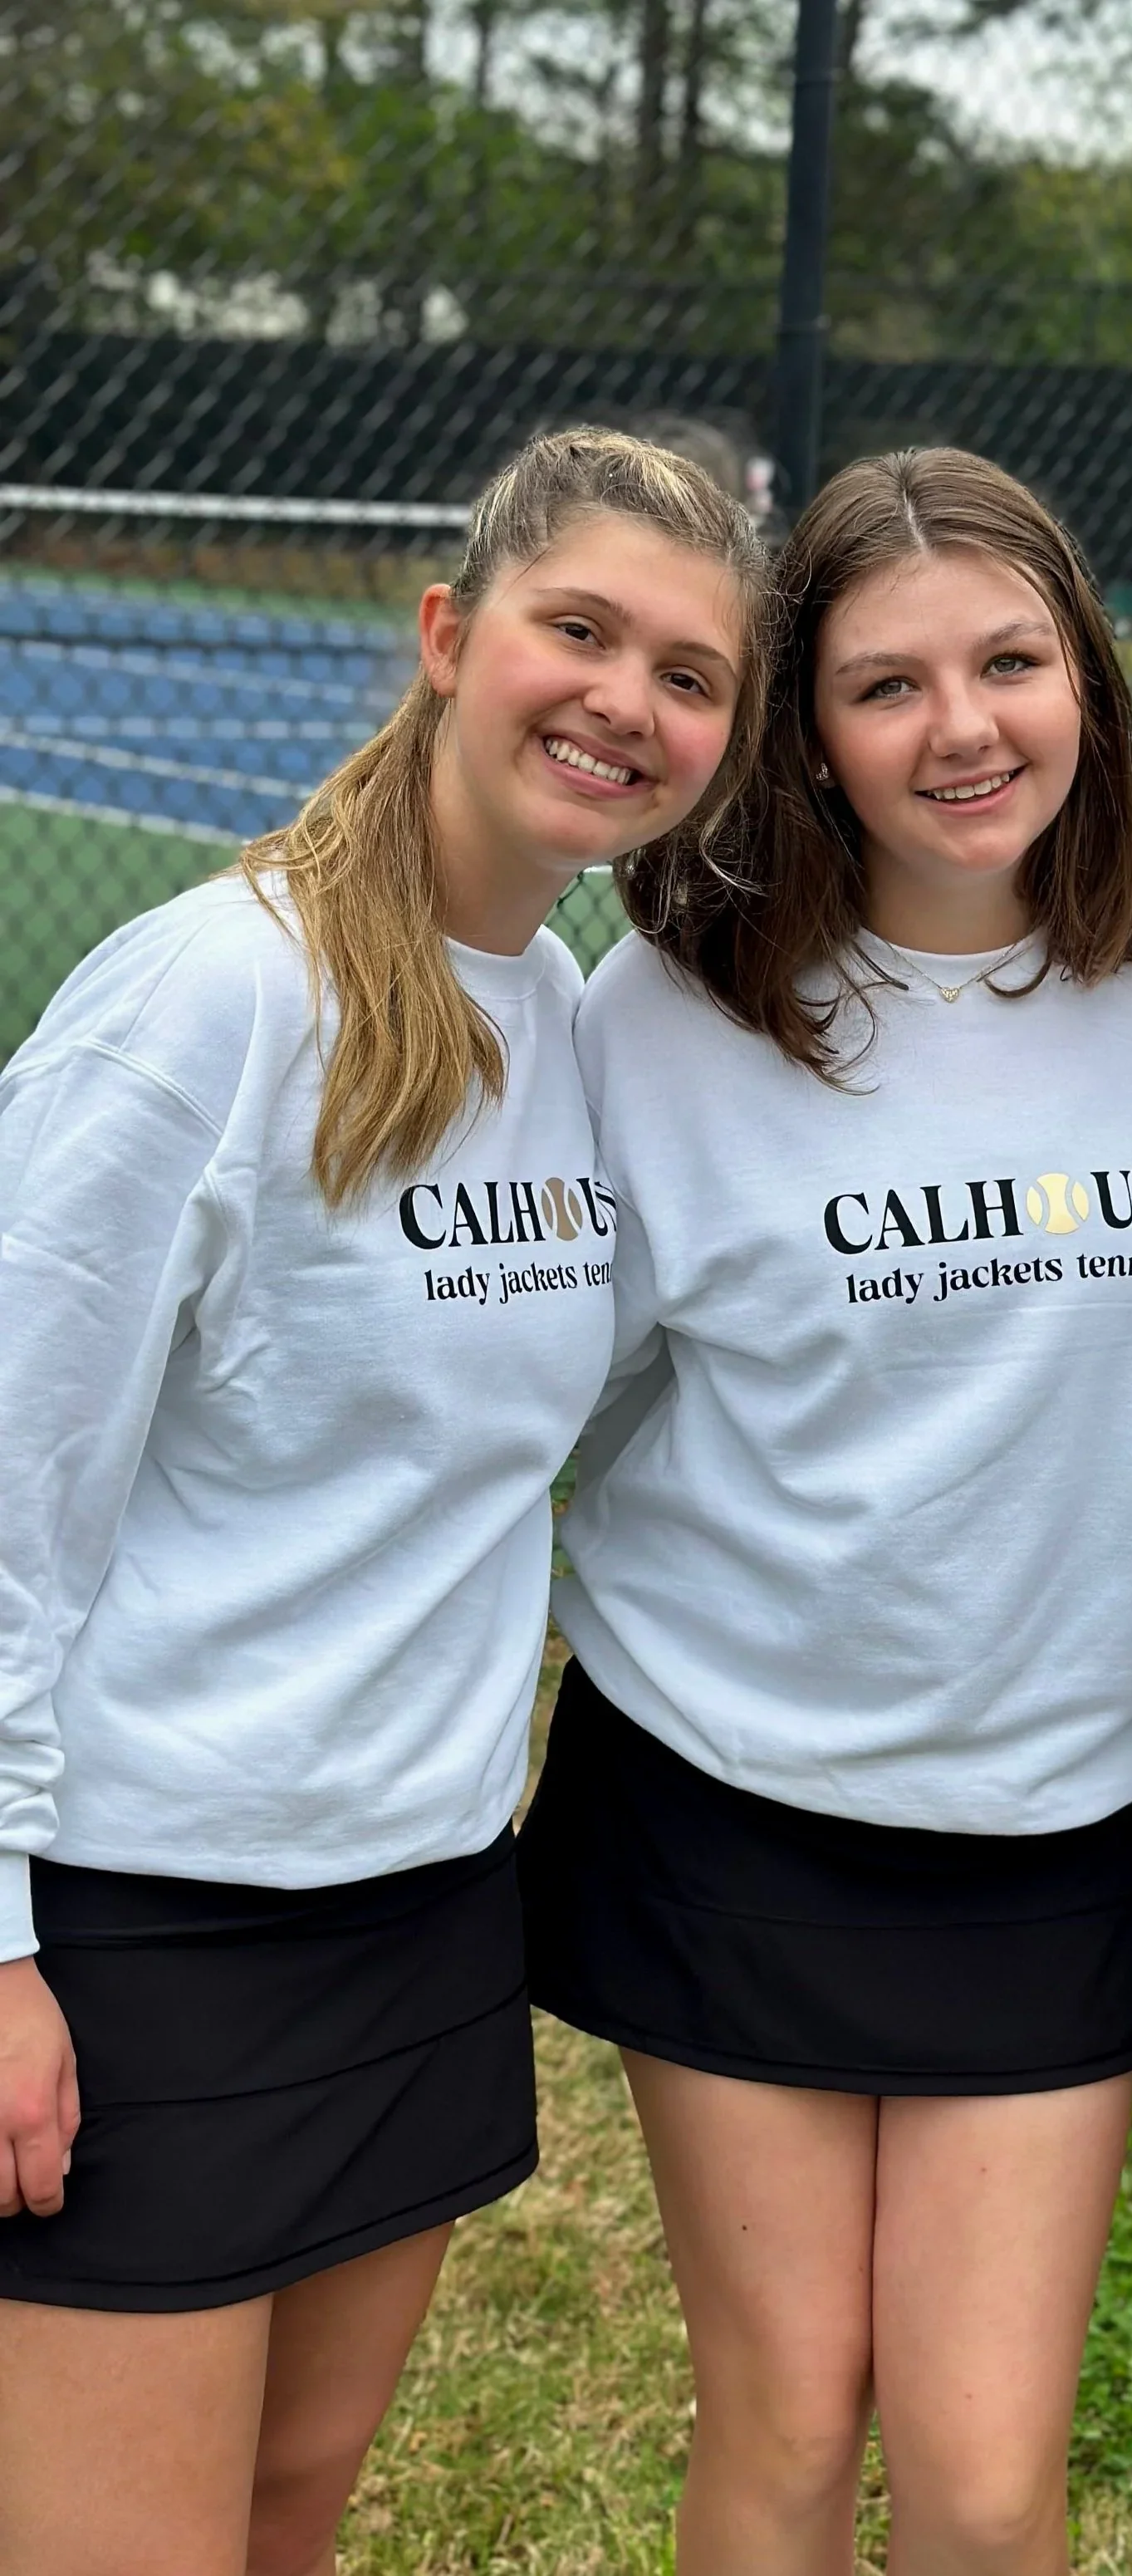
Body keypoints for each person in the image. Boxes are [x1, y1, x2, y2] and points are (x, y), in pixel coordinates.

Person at [0, 426, 767, 2576]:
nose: (626, 700)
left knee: (282, 2519)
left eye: (688, 673)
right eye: (580, 630)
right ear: (450, 637)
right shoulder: (212, 998)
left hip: (421, 1900)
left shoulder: (582, 1028)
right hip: (140, 1914)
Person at [517, 445, 1132, 2575]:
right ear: (803, 731)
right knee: (784, 2419)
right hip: (730, 1793)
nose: (962, 728)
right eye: (884, 683)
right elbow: (566, 1395)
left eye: (1010, 661)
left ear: (1088, 683)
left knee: (992, 2476)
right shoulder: (663, 1013)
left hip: (1052, 1815)